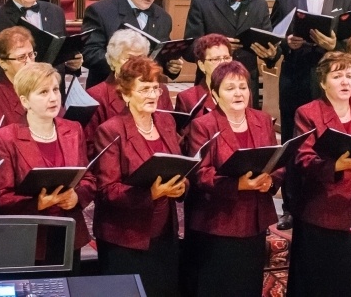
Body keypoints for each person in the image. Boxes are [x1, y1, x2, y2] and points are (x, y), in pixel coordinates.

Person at [270, 0, 351, 229]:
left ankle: (326, 199)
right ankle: (290, 207)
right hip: (295, 76)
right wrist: (287, 42)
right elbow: (275, 34)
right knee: (294, 143)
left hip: (331, 80)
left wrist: (336, 45)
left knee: (329, 140)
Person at [287, 52, 351, 297]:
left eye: (349, 75)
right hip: (325, 213)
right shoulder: (308, 112)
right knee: (325, 285)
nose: (345, 81)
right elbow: (303, 159)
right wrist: (336, 166)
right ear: (323, 82)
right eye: (337, 76)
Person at [185, 61, 282, 296]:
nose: (238, 93)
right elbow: (200, 172)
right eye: (230, 88)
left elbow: (278, 162)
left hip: (254, 217)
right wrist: (237, 184)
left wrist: (271, 181)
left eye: (243, 87)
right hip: (218, 220)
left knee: (247, 285)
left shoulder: (262, 120)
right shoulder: (203, 125)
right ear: (215, 95)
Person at [0, 63, 96, 272]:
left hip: (68, 230)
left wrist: (77, 196)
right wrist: (37, 203)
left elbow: (88, 178)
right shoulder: (6, 138)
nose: (54, 98)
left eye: (55, 90)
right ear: (25, 100)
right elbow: (0, 195)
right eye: (43, 92)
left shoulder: (73, 129)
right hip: (29, 237)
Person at [93, 57, 186, 296]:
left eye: (156, 88)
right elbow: (106, 190)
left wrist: (182, 184)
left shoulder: (166, 122)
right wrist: (151, 194)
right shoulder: (111, 130)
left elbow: (178, 165)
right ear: (125, 95)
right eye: (144, 89)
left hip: (164, 233)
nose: (153, 95)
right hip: (125, 238)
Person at [185, 0, 278, 106]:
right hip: (211, 84)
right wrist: (216, 46)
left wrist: (271, 54)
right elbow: (189, 50)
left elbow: (270, 43)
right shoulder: (202, 2)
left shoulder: (259, 4)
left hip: (245, 85)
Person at [82, 0, 180, 88]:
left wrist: (170, 67)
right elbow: (90, 53)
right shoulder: (100, 11)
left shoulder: (163, 17)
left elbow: (160, 55)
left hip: (145, 92)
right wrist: (125, 65)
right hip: (110, 89)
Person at [83, 29, 173, 158]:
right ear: (113, 61)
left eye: (141, 58)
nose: (136, 64)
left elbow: (170, 134)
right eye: (129, 58)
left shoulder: (160, 90)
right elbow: (91, 148)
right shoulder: (96, 96)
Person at [174, 33, 228, 118]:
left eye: (226, 58)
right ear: (201, 65)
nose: (223, 63)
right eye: (216, 59)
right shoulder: (187, 98)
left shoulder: (242, 92)